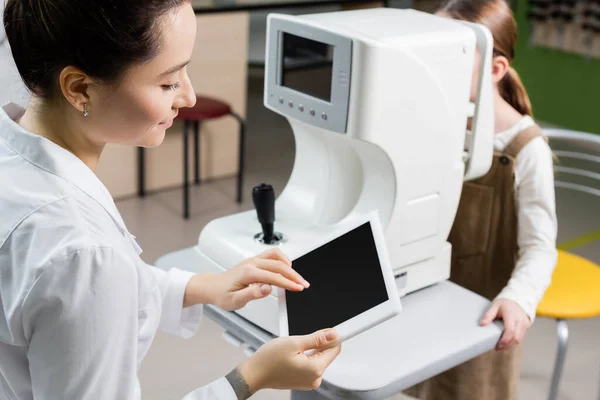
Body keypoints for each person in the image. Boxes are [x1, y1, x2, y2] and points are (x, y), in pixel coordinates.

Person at [0, 1, 341, 399]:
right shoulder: (84, 252)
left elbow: (60, 299)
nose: (190, 97)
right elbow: (87, 275)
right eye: (168, 83)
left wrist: (203, 286)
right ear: (80, 89)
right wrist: (251, 377)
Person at [405, 1, 558, 399]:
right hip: (425, 299)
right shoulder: (439, 123)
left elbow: (541, 248)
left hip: (479, 318)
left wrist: (518, 299)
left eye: (450, 55)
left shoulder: (526, 150)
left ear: (495, 69)